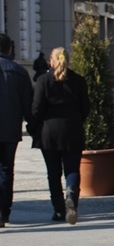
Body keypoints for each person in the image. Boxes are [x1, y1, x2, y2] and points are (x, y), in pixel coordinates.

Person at [31, 48, 89, 225]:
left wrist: (33, 127)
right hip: (72, 131)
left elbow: (36, 108)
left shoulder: (43, 81)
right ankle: (71, 195)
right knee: (72, 169)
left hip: (49, 132)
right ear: (68, 61)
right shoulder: (79, 81)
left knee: (53, 173)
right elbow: (85, 108)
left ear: (51, 61)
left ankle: (58, 209)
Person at [0, 33, 33, 228]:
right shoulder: (19, 72)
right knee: (6, 169)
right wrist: (33, 125)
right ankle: (4, 211)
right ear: (9, 49)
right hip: (11, 129)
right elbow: (29, 104)